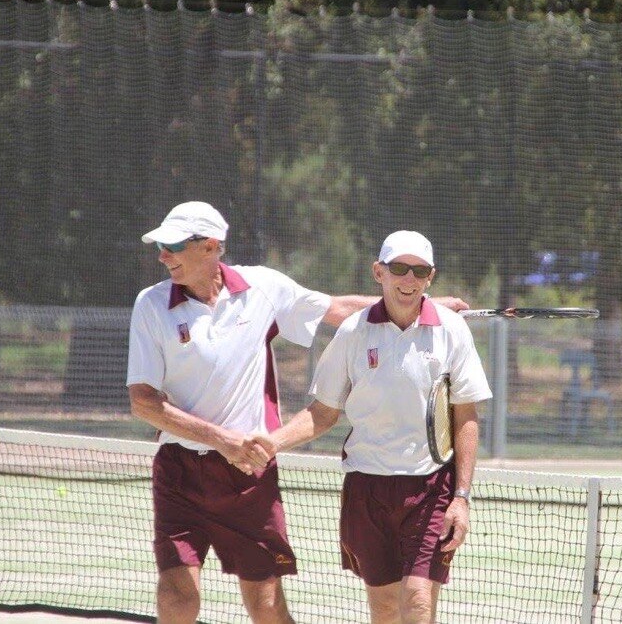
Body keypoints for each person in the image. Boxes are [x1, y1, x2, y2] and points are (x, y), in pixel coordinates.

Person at [126, 203, 465, 624]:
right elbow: (143, 401)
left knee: (266, 605)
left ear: (211, 246)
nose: (163, 255)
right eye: (161, 246)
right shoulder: (151, 304)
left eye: (173, 246)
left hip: (249, 475)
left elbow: (337, 309)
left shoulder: (262, 287)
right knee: (177, 597)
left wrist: (420, 303)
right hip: (179, 472)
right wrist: (222, 440)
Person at [254, 230, 492, 624]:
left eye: (420, 271)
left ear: (430, 277)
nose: (409, 279)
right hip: (367, 487)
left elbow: (465, 417)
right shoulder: (353, 331)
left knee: (418, 602)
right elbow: (323, 413)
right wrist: (270, 443)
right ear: (379, 272)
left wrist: (461, 497)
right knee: (383, 609)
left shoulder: (451, 329)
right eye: (399, 268)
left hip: (431, 486)